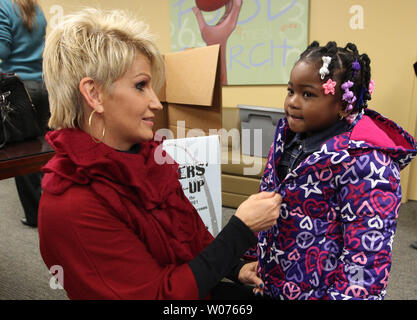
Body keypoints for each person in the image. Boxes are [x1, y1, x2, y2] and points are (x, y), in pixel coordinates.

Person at [37, 8, 281, 300]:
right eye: (141, 86)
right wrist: (240, 230)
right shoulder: (71, 205)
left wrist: (235, 267)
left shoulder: (146, 158)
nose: (156, 103)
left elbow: (191, 238)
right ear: (94, 94)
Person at [253, 41, 417, 300]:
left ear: (344, 105)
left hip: (321, 291)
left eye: (307, 94)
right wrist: (254, 257)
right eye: (290, 91)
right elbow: (265, 201)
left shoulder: (369, 164)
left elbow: (366, 260)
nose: (292, 102)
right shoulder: (287, 136)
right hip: (275, 279)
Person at [0, 0, 49, 227]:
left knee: (22, 153)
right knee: (42, 150)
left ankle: (35, 215)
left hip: (19, 89)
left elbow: (2, 49)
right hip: (42, 85)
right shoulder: (34, 7)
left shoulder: (3, 6)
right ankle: (51, 208)